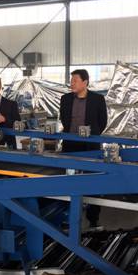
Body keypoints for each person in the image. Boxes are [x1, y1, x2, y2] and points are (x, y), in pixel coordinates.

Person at [59, 68, 108, 228]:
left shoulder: (97, 99)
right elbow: (64, 120)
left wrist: (91, 135)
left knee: (93, 182)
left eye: (75, 80)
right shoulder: (65, 99)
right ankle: (67, 215)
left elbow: (102, 122)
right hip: (70, 146)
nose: (71, 83)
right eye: (71, 80)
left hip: (90, 147)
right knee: (68, 181)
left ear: (85, 82)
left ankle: (93, 218)